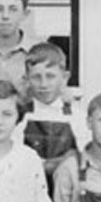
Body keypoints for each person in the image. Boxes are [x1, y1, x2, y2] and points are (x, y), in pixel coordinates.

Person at [14, 42, 89, 178]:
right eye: (36, 77)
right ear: (27, 79)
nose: (43, 84)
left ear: (65, 77)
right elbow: (14, 160)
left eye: (50, 76)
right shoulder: (19, 117)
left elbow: (85, 159)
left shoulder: (78, 117)